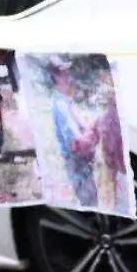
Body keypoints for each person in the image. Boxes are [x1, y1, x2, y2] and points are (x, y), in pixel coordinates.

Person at [49, 69, 99, 209]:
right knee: (87, 196)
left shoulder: (64, 100)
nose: (69, 77)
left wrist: (88, 128)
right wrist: (88, 147)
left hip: (79, 154)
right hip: (75, 156)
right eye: (64, 74)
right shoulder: (59, 104)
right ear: (57, 78)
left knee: (90, 191)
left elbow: (80, 121)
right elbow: (71, 138)